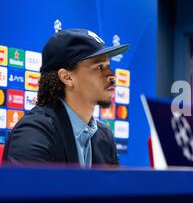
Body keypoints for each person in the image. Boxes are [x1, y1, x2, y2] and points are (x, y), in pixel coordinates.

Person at [2, 29, 129, 167]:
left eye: (108, 66)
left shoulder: (105, 136)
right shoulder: (33, 133)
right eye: (99, 67)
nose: (111, 75)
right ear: (67, 77)